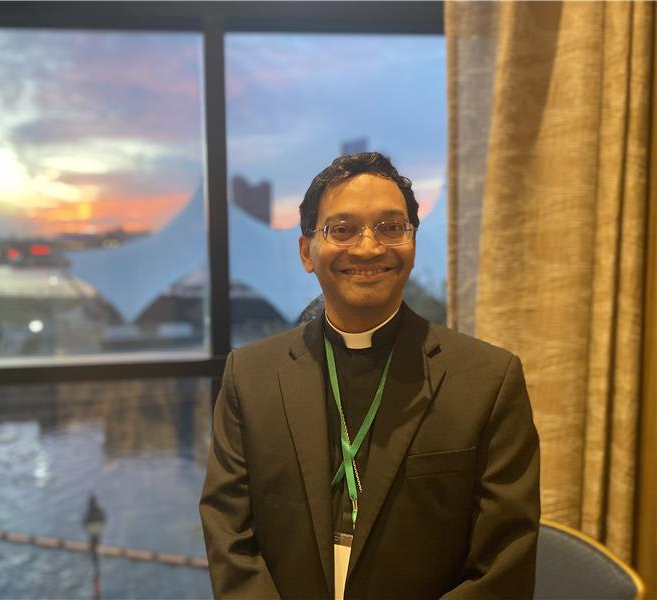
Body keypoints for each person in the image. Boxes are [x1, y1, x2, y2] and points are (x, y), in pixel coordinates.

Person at [199, 152, 540, 599]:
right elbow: (230, 535)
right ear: (306, 252)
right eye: (342, 229)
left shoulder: (488, 380)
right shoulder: (250, 376)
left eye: (390, 227)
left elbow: (503, 564)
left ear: (411, 242)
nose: (367, 247)